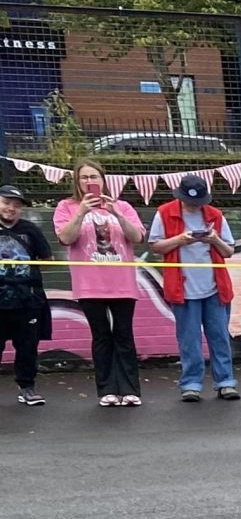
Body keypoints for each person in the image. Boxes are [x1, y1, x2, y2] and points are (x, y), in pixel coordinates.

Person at [54, 159, 146, 407]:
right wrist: (81, 211)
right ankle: (107, 389)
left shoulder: (122, 206)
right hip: (89, 284)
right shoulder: (66, 206)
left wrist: (115, 212)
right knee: (101, 336)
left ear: (103, 180)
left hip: (122, 283)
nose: (89, 182)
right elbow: (65, 237)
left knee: (124, 335)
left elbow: (137, 236)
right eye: (84, 177)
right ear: (77, 181)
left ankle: (129, 390)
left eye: (94, 177)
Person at [147, 171, 240, 403]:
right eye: (189, 203)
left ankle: (225, 382)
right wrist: (180, 239)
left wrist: (214, 239)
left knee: (219, 336)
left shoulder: (215, 215)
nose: (193, 207)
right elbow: (155, 246)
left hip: (214, 287)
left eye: (197, 203)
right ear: (180, 197)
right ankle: (191, 384)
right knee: (188, 339)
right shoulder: (164, 213)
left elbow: (229, 251)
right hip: (182, 288)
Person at [0, 183, 53, 406]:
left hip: (27, 300)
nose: (11, 208)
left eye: (16, 205)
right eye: (6, 203)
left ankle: (27, 388)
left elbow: (48, 261)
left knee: (28, 347)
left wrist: (25, 266)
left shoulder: (30, 229)